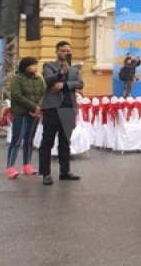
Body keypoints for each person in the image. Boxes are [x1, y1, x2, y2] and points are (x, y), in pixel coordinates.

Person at [40, 41, 84, 185]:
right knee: (47, 142)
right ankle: (46, 173)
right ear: (57, 52)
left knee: (65, 142)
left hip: (68, 108)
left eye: (68, 51)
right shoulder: (49, 66)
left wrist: (64, 85)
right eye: (63, 51)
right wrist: (60, 73)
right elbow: (47, 81)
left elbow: (80, 84)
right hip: (52, 108)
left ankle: (65, 171)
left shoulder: (74, 69)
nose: (66, 53)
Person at [6, 56, 44, 179]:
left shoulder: (39, 80)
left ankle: (26, 165)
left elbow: (43, 94)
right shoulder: (17, 79)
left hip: (34, 114)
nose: (35, 67)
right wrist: (33, 107)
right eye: (32, 65)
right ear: (25, 67)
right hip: (21, 113)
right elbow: (17, 96)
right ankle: (10, 167)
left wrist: (39, 108)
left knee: (29, 140)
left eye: (35, 65)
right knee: (17, 140)